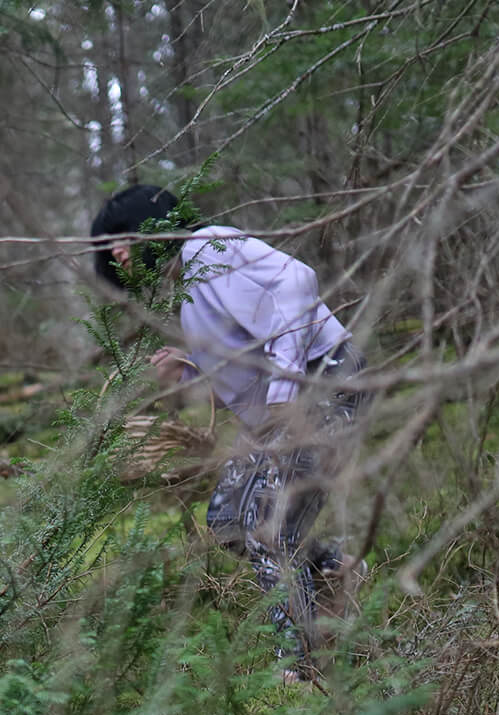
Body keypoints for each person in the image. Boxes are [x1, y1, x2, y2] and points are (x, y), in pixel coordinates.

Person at [92, 184, 370, 677]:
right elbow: (243, 359)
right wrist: (186, 372)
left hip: (325, 382)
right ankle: (334, 566)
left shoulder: (210, 246)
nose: (118, 254)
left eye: (120, 238)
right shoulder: (190, 290)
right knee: (227, 520)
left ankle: (304, 668)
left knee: (266, 525)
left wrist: (286, 395)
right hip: (284, 406)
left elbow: (296, 285)